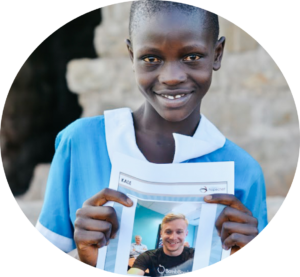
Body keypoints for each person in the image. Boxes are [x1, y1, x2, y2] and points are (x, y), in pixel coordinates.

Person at [35, 0, 268, 269]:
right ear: (131, 56)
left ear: (217, 54)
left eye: (191, 57)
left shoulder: (243, 172)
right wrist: (84, 258)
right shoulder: (81, 144)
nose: (171, 77)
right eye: (151, 58)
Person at [128, 214, 194, 276]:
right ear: (161, 233)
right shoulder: (148, 256)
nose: (173, 237)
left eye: (179, 232)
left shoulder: (196, 255)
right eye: (168, 232)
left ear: (186, 234)